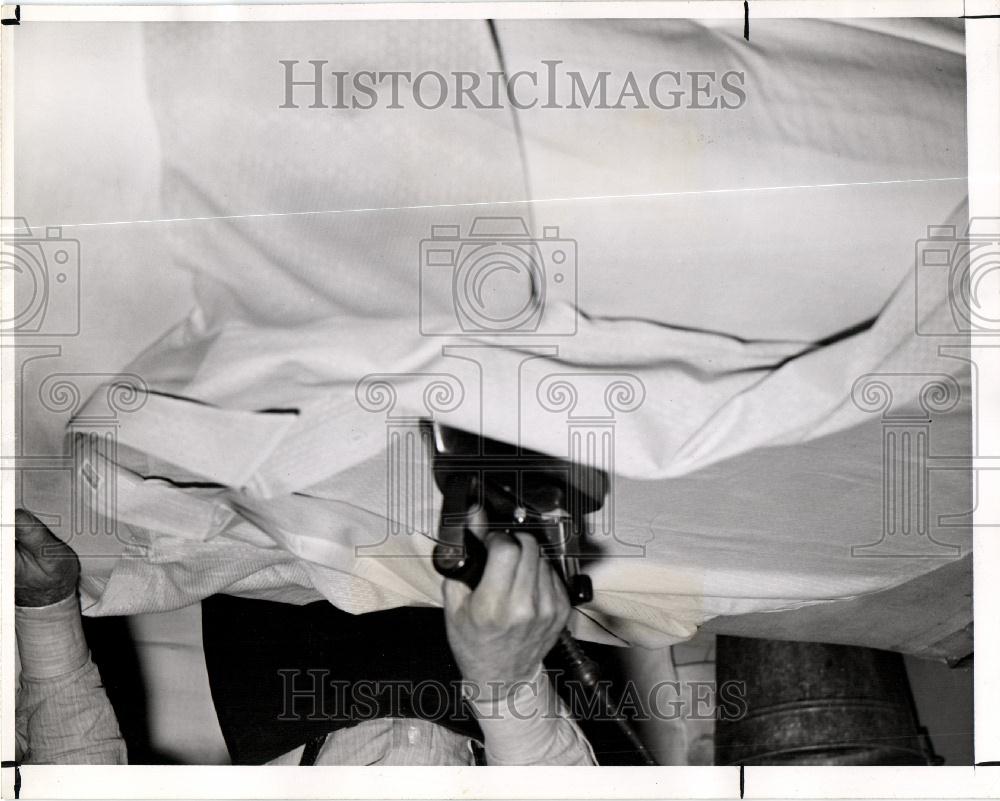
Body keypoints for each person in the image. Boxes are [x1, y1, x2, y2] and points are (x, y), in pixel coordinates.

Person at [14, 508, 596, 765]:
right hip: (477, 695)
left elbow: (79, 780)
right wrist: (504, 680)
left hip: (288, 675)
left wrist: (44, 610)